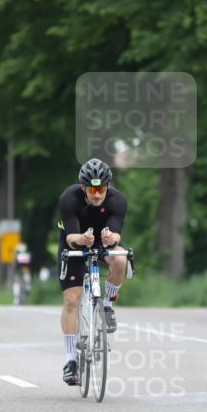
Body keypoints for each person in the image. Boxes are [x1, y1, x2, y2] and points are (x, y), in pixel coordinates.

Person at [57, 158, 128, 386]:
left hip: (102, 240)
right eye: (92, 189)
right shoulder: (69, 199)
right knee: (72, 299)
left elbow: (117, 234)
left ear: (108, 186)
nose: (97, 194)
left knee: (119, 260)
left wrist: (112, 237)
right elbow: (70, 237)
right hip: (75, 241)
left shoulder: (118, 201)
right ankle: (71, 362)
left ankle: (106, 306)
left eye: (102, 189)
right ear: (83, 187)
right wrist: (82, 239)